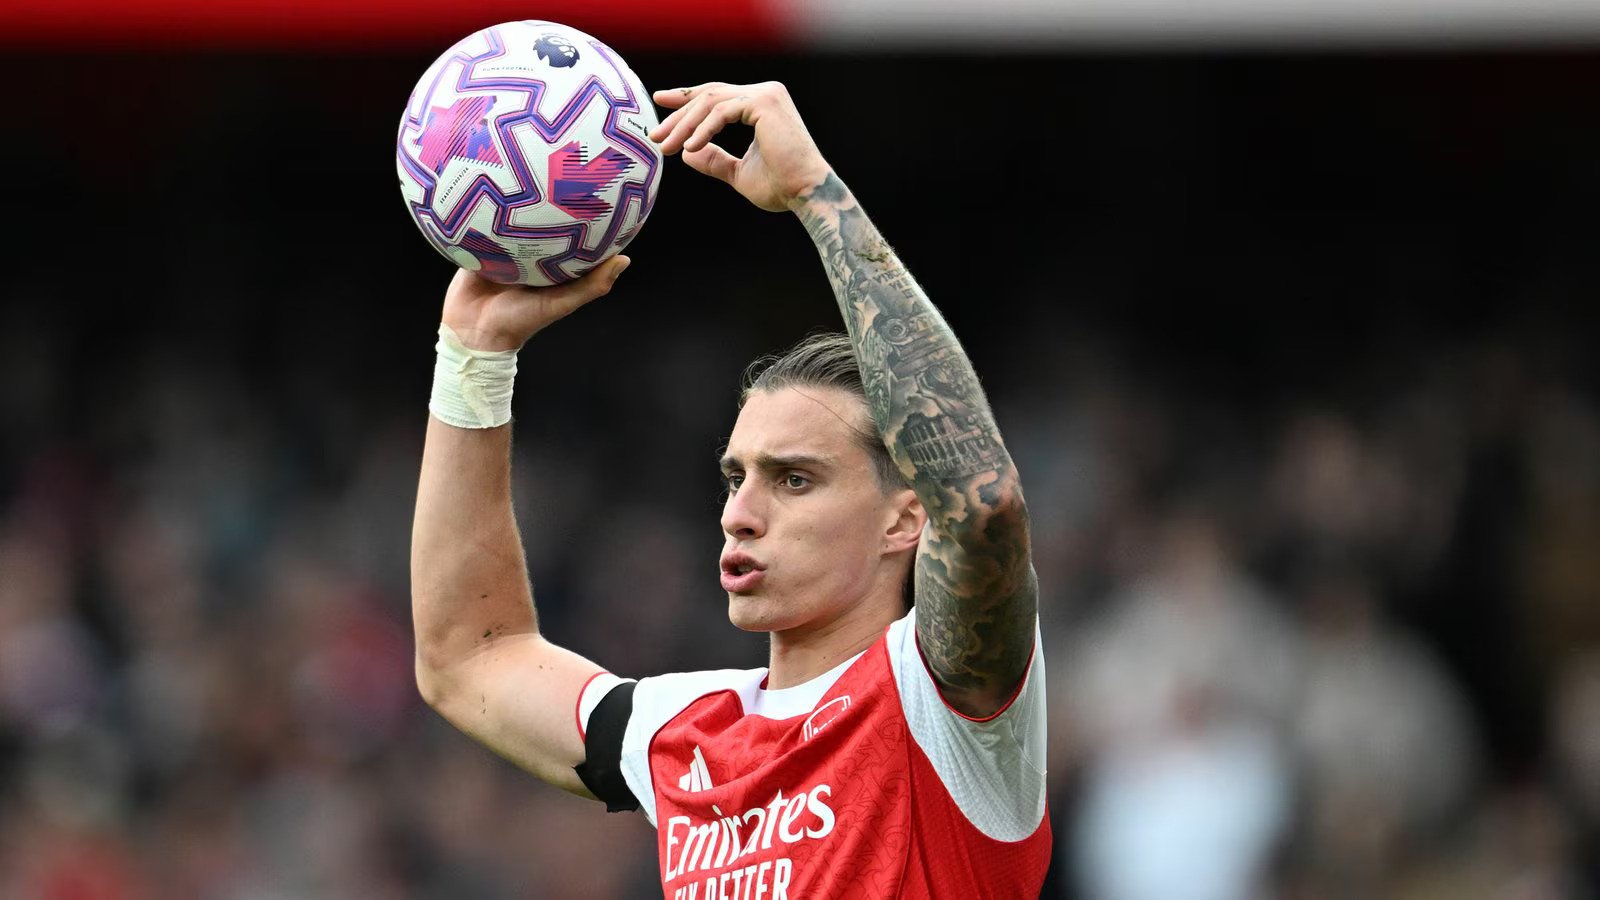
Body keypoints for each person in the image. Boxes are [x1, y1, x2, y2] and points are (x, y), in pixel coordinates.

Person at [411, 81, 1049, 899]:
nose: (739, 515)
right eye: (735, 477)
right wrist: (473, 358)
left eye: (795, 479)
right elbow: (470, 657)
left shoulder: (947, 707)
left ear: (906, 516)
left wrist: (819, 196)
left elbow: (984, 499)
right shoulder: (685, 732)